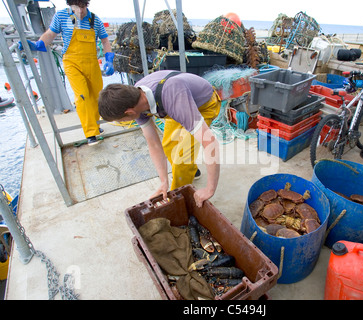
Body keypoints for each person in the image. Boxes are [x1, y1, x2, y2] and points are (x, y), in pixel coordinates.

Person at [98, 71, 221, 207]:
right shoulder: (135, 100)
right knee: (168, 146)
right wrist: (163, 182)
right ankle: (191, 169)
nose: (124, 121)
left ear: (129, 113)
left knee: (181, 159)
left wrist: (210, 189)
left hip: (203, 104)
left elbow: (210, 143)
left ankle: (178, 200)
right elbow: (154, 144)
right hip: (176, 106)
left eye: (122, 120)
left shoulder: (172, 97)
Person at [20, 0, 114, 145]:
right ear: (71, 5)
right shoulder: (61, 16)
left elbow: (105, 40)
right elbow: (51, 34)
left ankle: (95, 125)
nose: (80, 11)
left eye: (83, 7)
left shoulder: (94, 19)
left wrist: (109, 58)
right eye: (76, 7)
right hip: (72, 62)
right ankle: (90, 134)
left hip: (92, 63)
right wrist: (39, 44)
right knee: (82, 96)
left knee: (96, 95)